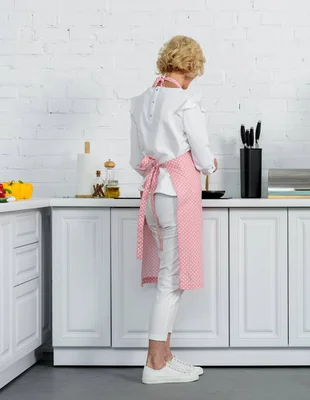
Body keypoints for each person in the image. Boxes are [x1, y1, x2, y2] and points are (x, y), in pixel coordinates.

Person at [129, 35, 218, 385]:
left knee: (168, 277)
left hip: (151, 193)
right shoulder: (185, 102)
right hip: (176, 194)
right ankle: (154, 363)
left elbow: (136, 160)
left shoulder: (139, 101)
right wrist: (210, 164)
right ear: (190, 67)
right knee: (171, 281)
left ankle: (166, 355)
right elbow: (203, 156)